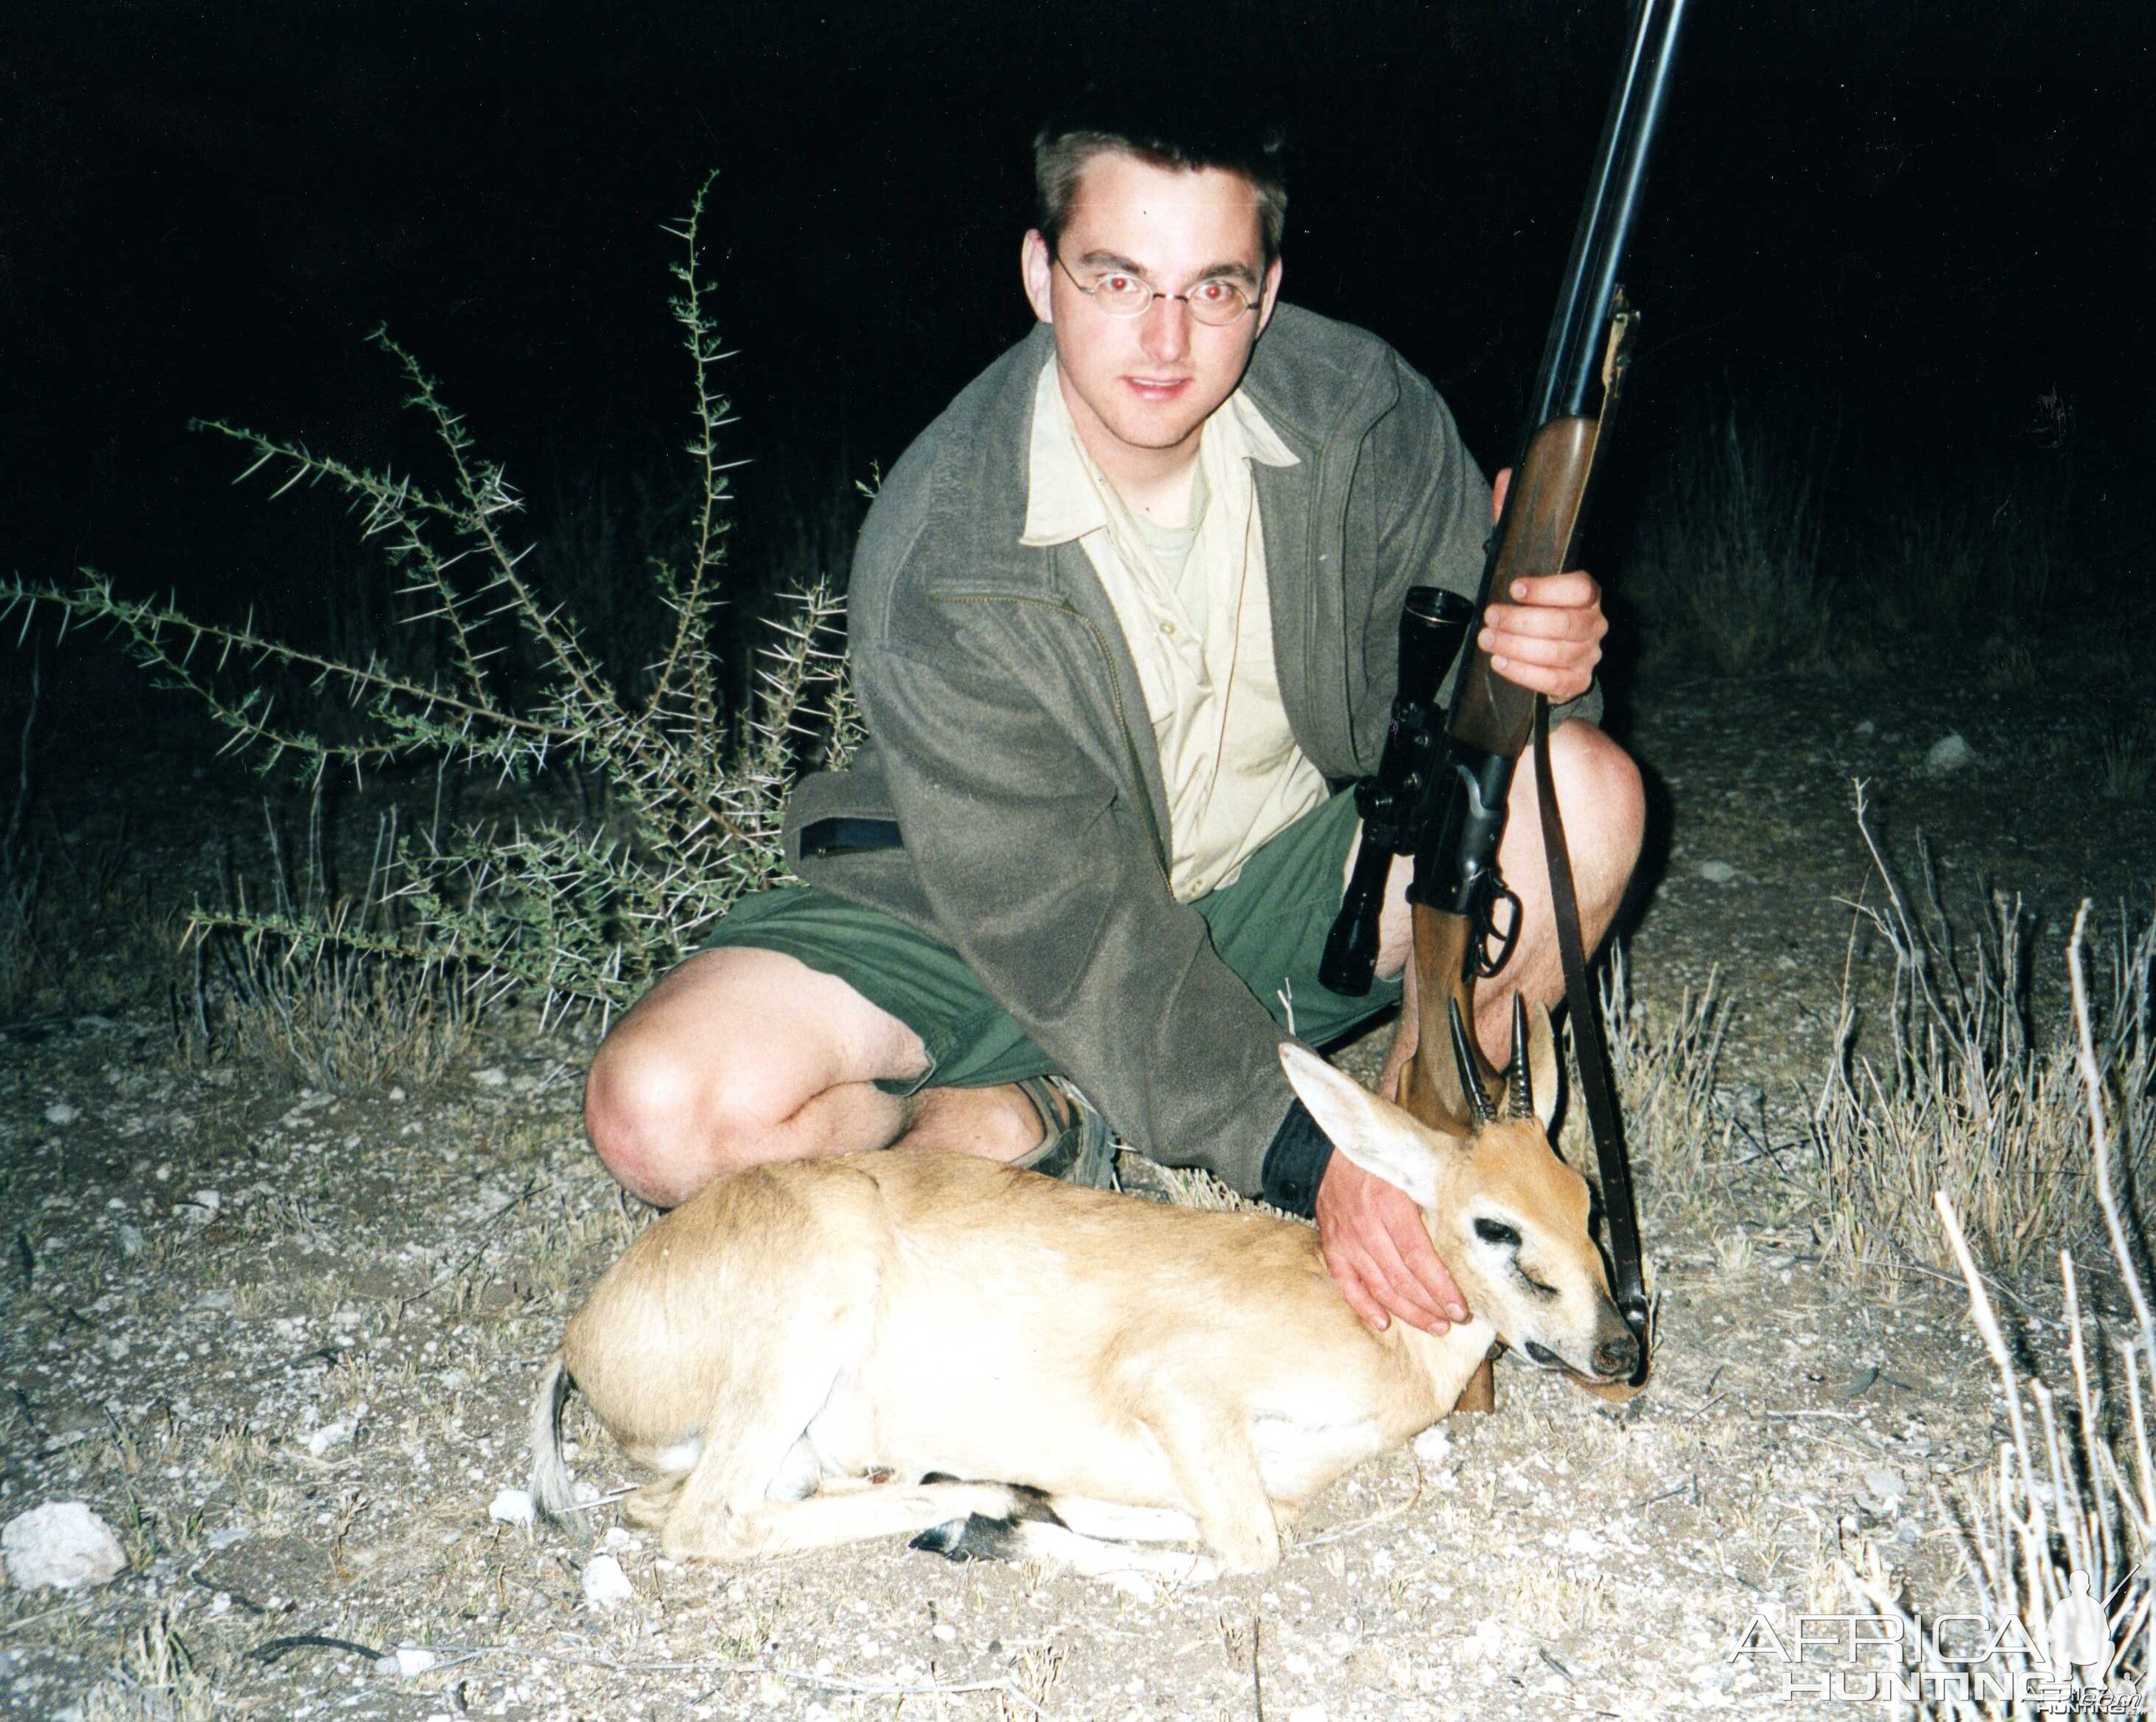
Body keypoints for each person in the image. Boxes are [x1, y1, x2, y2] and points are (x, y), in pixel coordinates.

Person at [584, 102, 1643, 1341]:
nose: (1164, 338)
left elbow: (1480, 725)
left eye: (1213, 289)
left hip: (1278, 903)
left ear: (1270, 289)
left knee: (1592, 795)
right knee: (659, 1111)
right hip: (996, 919)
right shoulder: (945, 538)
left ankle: (1435, 1160)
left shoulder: (1360, 410)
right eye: (1117, 277)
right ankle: (1040, 1111)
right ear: (1041, 275)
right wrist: (1306, 1158)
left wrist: (1546, 658)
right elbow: (1071, 927)